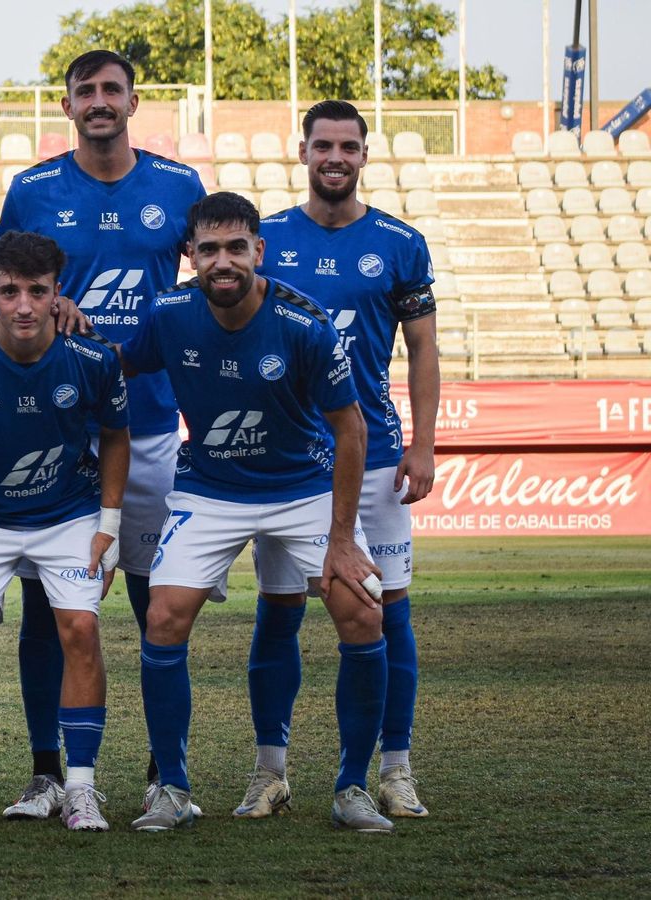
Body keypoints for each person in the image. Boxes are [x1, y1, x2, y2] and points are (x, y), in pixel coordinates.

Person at [120, 192, 394, 834]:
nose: (223, 261)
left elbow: (350, 430)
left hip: (301, 485)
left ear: (257, 251)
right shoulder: (169, 313)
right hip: (208, 489)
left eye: (235, 248)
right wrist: (57, 326)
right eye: (208, 249)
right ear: (190, 256)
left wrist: (342, 539)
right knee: (162, 617)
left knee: (361, 611)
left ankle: (353, 786)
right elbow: (114, 365)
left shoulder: (304, 321)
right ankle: (172, 788)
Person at [0, 49, 206, 819]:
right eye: (85, 90)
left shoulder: (180, 186)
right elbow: (4, 283)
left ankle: (164, 774)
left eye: (111, 89)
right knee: (46, 607)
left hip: (148, 423)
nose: (99, 101)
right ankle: (48, 774)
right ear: (67, 104)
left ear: (134, 99)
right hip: (51, 423)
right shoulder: (33, 188)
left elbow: (219, 269)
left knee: (157, 605)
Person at [232, 99, 439, 822]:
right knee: (280, 610)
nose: (335, 158)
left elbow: (422, 351)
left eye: (348, 147)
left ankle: (394, 770)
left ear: (363, 155)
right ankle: (271, 772)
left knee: (387, 612)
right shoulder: (266, 241)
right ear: (303, 151)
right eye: (324, 145)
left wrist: (423, 442)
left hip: (376, 455)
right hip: (288, 461)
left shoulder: (400, 243)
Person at [0, 231, 130, 833]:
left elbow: (116, 436)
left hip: (68, 517)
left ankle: (81, 787)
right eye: (9, 292)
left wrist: (108, 525)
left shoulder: (94, 358)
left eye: (37, 292)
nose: (24, 307)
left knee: (81, 629)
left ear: (56, 292)